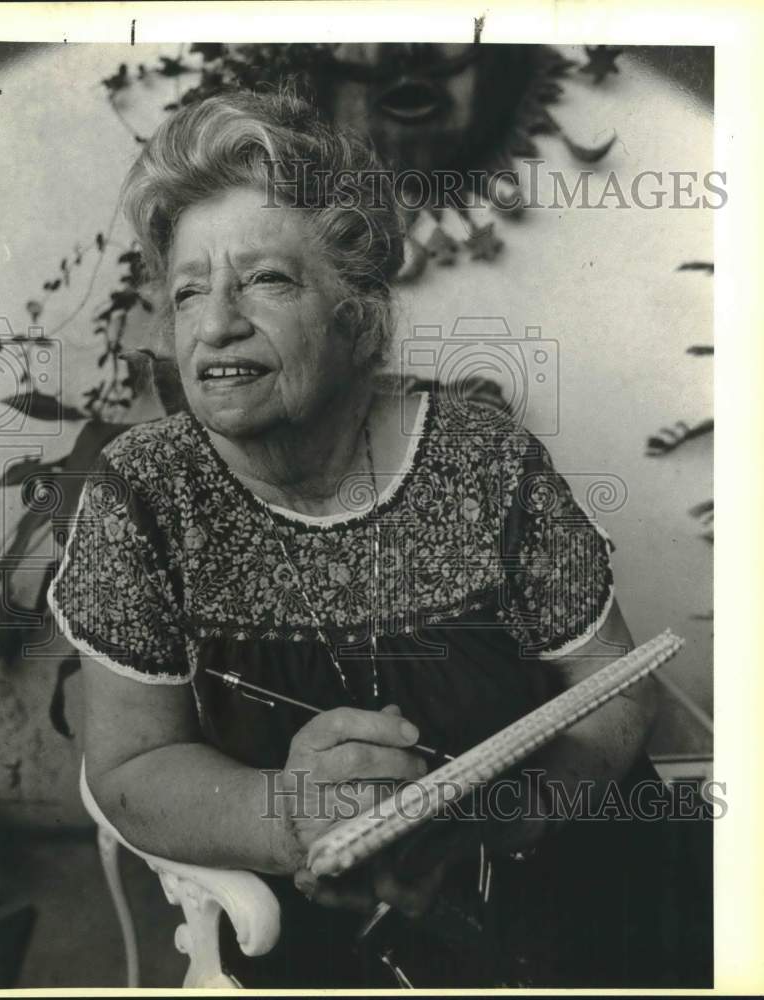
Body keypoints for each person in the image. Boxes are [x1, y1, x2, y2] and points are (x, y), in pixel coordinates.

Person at [47, 89, 687, 988]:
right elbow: (129, 764)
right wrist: (289, 815)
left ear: (358, 319)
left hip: (573, 895)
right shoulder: (143, 490)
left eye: (265, 280)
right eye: (189, 290)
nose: (216, 323)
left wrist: (512, 809)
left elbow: (615, 687)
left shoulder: (481, 456)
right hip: (335, 939)